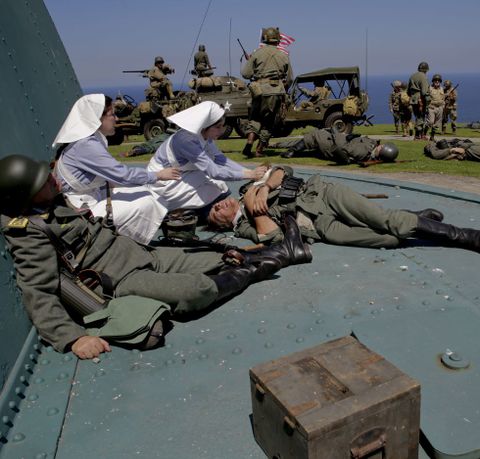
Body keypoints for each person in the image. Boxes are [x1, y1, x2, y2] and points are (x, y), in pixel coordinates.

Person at [0, 155, 311, 360]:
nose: (52, 180)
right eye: (43, 182)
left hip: (139, 253)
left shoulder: (54, 202)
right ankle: (266, 264)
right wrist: (72, 339)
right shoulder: (28, 232)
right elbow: (38, 291)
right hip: (120, 279)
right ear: (27, 196)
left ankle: (284, 252)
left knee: (214, 257)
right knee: (195, 291)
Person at [207, 165, 480, 253]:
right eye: (217, 211)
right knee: (388, 238)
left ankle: (463, 236)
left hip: (325, 195)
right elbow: (275, 238)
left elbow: (280, 170)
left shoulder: (247, 190)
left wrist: (262, 188)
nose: (221, 203)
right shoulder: (243, 228)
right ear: (223, 224)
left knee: (386, 221)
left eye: (218, 201)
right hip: (319, 227)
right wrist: (258, 214)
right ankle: (415, 218)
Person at [52, 94, 180, 245]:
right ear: (96, 118)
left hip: (90, 197)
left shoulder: (88, 141)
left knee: (147, 193)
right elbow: (123, 175)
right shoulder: (86, 145)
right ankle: (128, 247)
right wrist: (158, 175)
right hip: (81, 208)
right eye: (112, 114)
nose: (117, 119)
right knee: (148, 201)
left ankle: (128, 243)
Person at [148, 101, 268, 221]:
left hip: (180, 174)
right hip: (162, 182)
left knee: (219, 187)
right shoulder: (186, 141)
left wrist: (249, 172)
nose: (221, 131)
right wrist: (249, 175)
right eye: (217, 127)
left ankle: (192, 211)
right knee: (215, 186)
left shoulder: (204, 136)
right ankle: (178, 212)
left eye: (222, 126)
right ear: (204, 127)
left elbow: (221, 160)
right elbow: (214, 172)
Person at [241, 27, 293, 158]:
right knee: (269, 121)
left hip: (258, 90)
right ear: (278, 40)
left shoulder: (257, 53)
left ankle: (249, 141)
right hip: (275, 91)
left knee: (255, 117)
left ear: (264, 39)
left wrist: (252, 63)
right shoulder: (284, 55)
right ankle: (259, 150)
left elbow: (245, 74)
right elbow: (290, 78)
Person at [271, 128, 399, 164]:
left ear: (381, 151)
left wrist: (336, 133)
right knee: (305, 142)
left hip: (331, 144)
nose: (381, 145)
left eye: (382, 147)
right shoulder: (370, 145)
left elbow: (342, 148)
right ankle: (275, 145)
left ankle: (291, 152)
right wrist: (349, 135)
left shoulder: (362, 151)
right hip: (336, 141)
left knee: (314, 136)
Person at [408, 61, 430, 140]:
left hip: (413, 100)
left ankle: (419, 135)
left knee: (417, 117)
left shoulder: (412, 76)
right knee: (421, 117)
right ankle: (418, 135)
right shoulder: (423, 77)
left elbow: (408, 91)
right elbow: (424, 92)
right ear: (426, 69)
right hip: (421, 100)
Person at [426, 74, 445, 141]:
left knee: (437, 124)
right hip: (432, 107)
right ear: (433, 81)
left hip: (440, 108)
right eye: (435, 80)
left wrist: (443, 105)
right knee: (430, 122)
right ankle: (424, 134)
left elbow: (443, 98)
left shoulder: (442, 89)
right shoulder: (429, 88)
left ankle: (432, 136)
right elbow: (426, 97)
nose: (437, 81)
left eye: (438, 80)